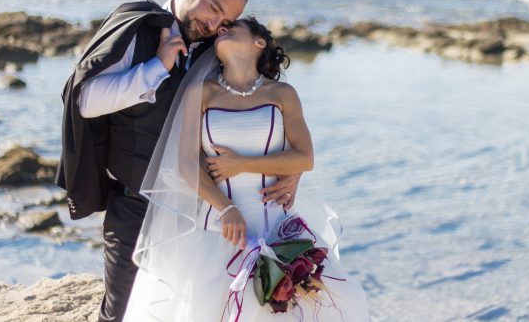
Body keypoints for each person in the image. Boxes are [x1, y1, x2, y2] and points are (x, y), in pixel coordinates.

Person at [56, 0, 302, 322]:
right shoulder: (137, 25)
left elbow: (265, 109)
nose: (215, 22)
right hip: (135, 204)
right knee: (123, 309)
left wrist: (288, 169)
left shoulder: (219, 48)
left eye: (225, 19)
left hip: (201, 213)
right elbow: (85, 100)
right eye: (213, 7)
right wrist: (158, 66)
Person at [123, 17, 369, 321]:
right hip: (218, 229)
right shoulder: (201, 94)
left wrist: (241, 164)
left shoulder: (282, 94)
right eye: (220, 30)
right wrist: (226, 209)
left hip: (275, 226)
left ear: (259, 42)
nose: (222, 31)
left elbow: (304, 157)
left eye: (232, 28)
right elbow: (186, 163)